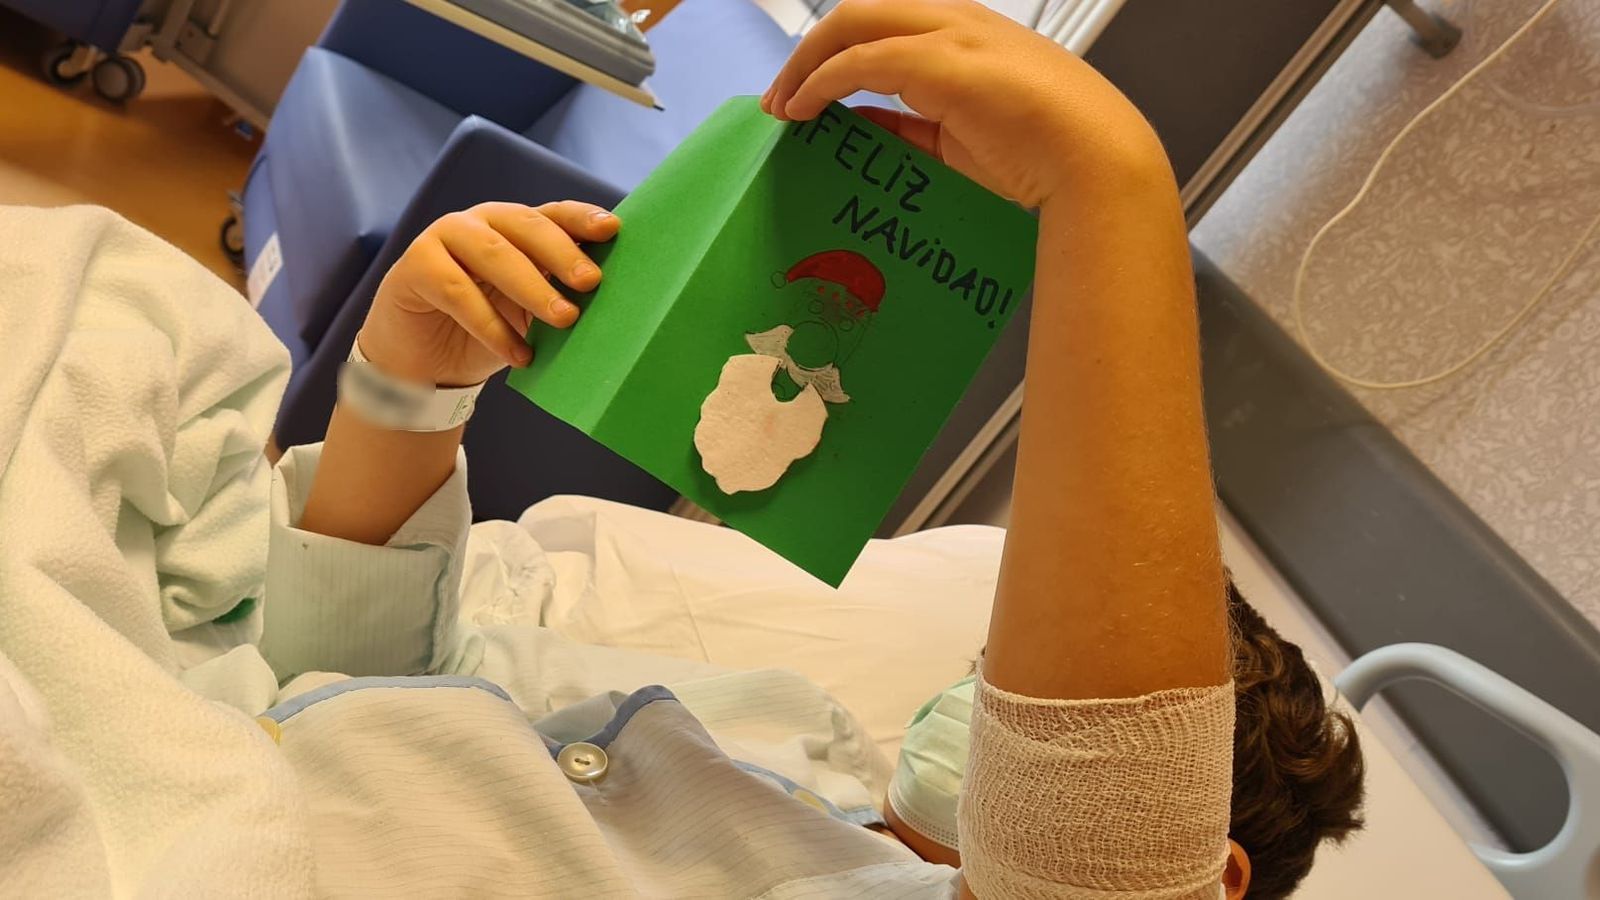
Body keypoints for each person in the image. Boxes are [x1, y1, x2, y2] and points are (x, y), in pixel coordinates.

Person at [0, 0, 1362, 896]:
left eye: (1019, 691)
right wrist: (405, 385)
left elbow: (1104, 834)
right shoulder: (789, 728)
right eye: (993, 666)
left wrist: (1111, 195)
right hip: (201, 733)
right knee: (117, 306)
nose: (980, 688)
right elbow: (356, 674)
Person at [883, 580, 1367, 899]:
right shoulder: (818, 751)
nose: (987, 718)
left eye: (1055, 737)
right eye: (991, 685)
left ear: (1208, 880)